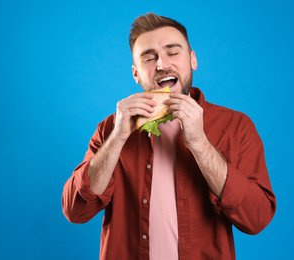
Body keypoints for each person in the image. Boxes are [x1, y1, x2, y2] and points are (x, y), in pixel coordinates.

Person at [62, 13, 276, 260]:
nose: (162, 64)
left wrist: (199, 143)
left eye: (172, 52)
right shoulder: (110, 129)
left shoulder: (236, 126)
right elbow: (75, 211)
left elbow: (257, 219)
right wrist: (117, 139)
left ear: (192, 59)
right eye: (149, 57)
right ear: (136, 73)